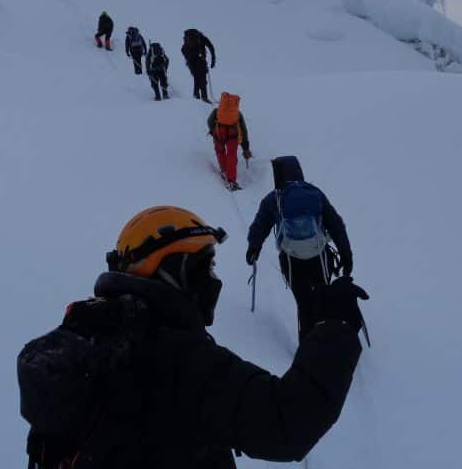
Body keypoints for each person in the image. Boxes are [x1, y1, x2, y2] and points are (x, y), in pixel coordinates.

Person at [18, 205, 368, 468]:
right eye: (206, 266)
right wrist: (334, 328)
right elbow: (288, 423)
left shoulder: (98, 336)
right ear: (173, 272)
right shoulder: (174, 356)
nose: (214, 280)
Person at [247, 156, 353, 341]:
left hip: (291, 260)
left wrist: (253, 248)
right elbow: (335, 223)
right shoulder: (315, 193)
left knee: (304, 303)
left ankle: (307, 346)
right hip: (319, 257)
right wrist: (345, 252)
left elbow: (260, 226)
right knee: (322, 297)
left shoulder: (274, 199)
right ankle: (327, 339)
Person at [207, 92, 251, 190]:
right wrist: (246, 148)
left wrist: (213, 131)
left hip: (219, 131)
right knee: (232, 155)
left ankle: (224, 170)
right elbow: (244, 131)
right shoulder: (237, 114)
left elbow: (209, 121)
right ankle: (231, 180)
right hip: (233, 133)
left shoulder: (217, 111)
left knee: (220, 151)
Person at [181, 28, 215, 102]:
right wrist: (213, 60)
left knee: (197, 78)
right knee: (202, 78)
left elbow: (183, 50)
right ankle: (204, 97)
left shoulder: (188, 39)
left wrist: (188, 58)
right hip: (200, 60)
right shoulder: (202, 38)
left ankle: (196, 96)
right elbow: (211, 47)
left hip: (191, 62)